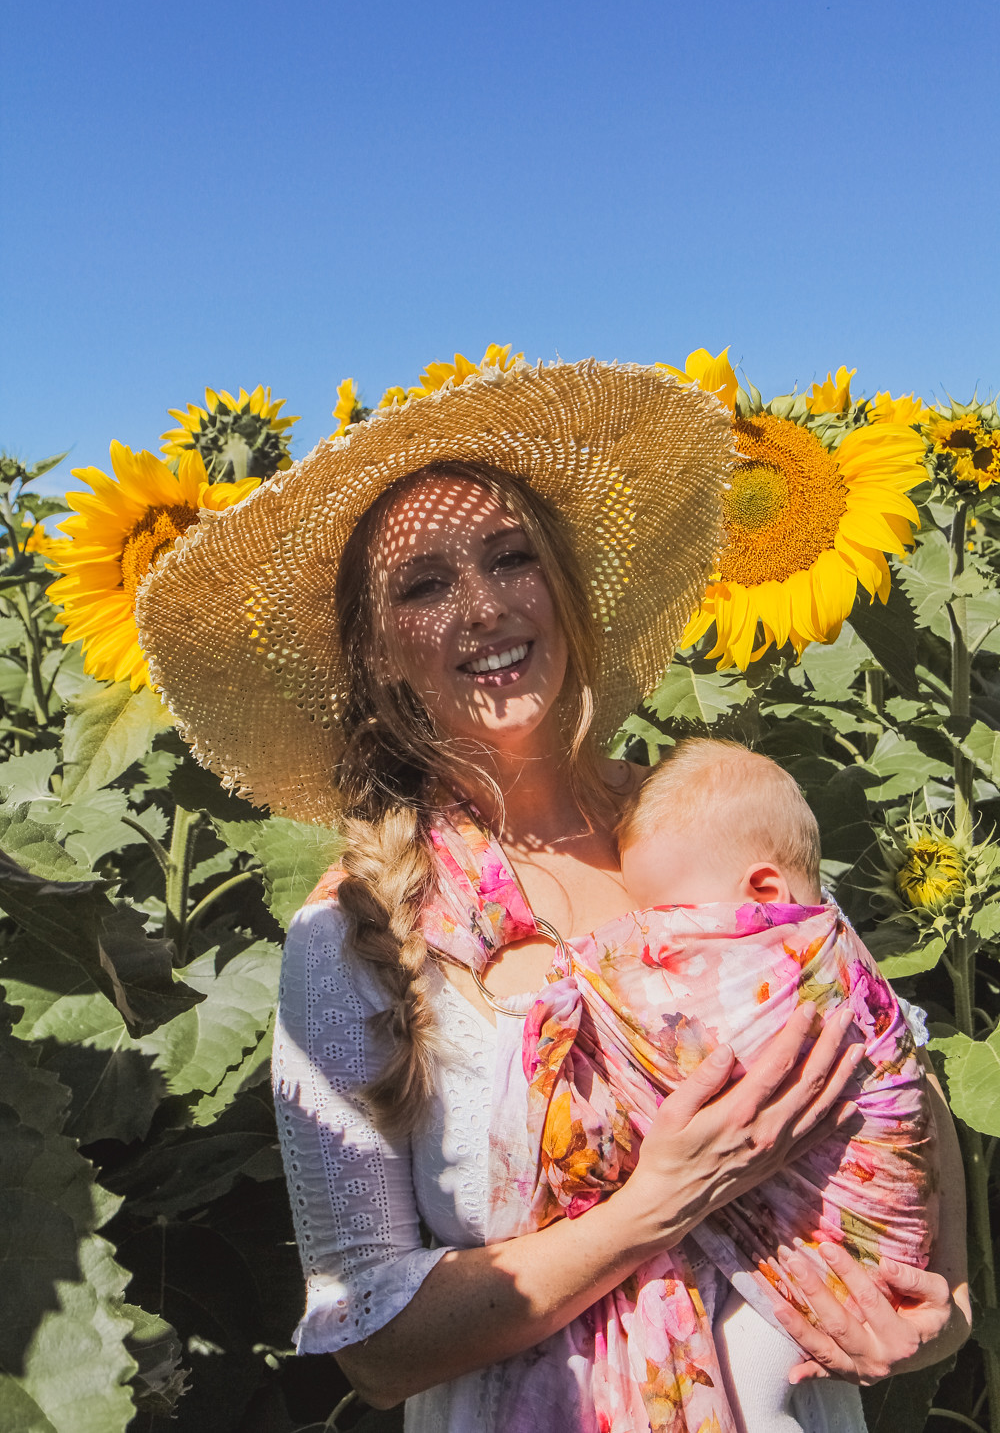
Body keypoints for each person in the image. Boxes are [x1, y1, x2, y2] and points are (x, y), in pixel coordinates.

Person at [135, 359, 970, 1433]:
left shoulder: (709, 823)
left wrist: (940, 1297)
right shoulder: (357, 935)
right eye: (424, 586)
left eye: (511, 558)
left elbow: (888, 1055)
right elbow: (376, 1348)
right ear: (378, 655)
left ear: (567, 592)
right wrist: (661, 1201)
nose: (483, 607)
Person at [516, 736, 939, 1433]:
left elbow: (760, 1048)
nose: (653, 939)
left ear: (766, 894)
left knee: (758, 1378)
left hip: (847, 1246)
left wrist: (596, 979)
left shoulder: (794, 949)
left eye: (671, 921)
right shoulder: (716, 852)